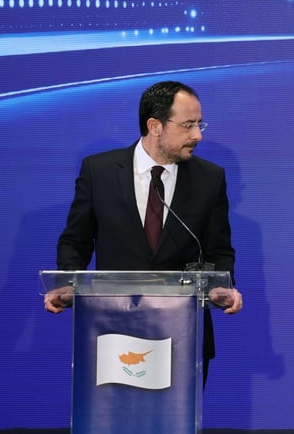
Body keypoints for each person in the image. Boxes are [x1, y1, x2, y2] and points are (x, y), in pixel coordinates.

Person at [44, 80, 243, 379]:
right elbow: (75, 240)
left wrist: (221, 286)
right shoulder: (99, 172)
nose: (198, 135)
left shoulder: (210, 179)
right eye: (188, 125)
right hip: (112, 331)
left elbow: (219, 249)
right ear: (155, 126)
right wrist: (70, 282)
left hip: (183, 335)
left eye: (200, 124)